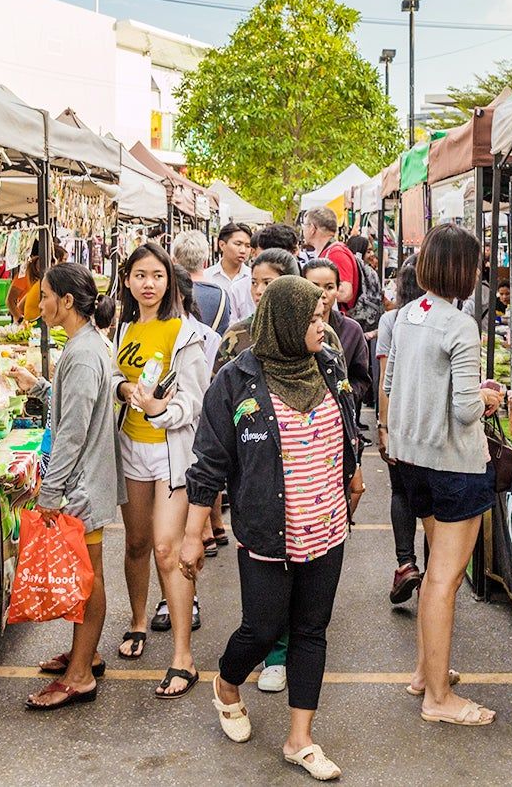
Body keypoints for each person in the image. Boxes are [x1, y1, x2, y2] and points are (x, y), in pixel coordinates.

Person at [181, 275, 363, 782]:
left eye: (322, 314)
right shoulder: (237, 381)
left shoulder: (327, 363)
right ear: (283, 321)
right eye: (311, 317)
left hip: (326, 528)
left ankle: (300, 738)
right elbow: (208, 464)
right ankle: (227, 682)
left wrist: (354, 472)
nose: (321, 325)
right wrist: (194, 534)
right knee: (261, 629)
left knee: (311, 630)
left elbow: (348, 423)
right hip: (266, 531)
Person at [382, 223, 503, 727]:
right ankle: (437, 697)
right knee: (444, 579)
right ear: (462, 269)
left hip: (410, 461)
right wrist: (489, 397)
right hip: (454, 465)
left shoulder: (408, 315)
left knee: (436, 575)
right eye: (475, 263)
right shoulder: (460, 325)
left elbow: (391, 382)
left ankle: (424, 673)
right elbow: (465, 412)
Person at [19, 264, 122, 711]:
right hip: (85, 480)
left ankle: (79, 675)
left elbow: (72, 433)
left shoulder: (82, 353)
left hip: (81, 484)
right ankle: (87, 652)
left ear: (65, 301)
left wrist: (50, 493)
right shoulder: (85, 346)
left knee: (90, 574)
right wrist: (43, 387)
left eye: (44, 296)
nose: (38, 305)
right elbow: (75, 408)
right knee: (87, 573)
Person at [110, 242, 210, 698]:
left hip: (171, 455)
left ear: (170, 280)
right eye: (139, 275)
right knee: (135, 543)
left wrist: (157, 411)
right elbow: (111, 377)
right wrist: (124, 387)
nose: (148, 284)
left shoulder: (185, 332)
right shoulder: (123, 326)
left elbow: (195, 403)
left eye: (157, 275)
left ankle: (183, 658)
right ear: (127, 280)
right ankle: (136, 622)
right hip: (130, 447)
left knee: (167, 549)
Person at [375, 254, 426, 604]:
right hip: (433, 420)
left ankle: (406, 563)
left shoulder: (392, 320)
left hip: (403, 420)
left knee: (401, 491)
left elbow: (384, 378)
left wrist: (384, 424)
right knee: (433, 499)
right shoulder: (449, 319)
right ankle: (434, 566)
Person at [301, 258, 373, 413]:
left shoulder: (351, 330)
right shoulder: (291, 328)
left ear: (338, 289)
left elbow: (361, 378)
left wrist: (342, 398)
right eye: (314, 286)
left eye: (329, 287)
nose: (322, 294)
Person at [173, 231, 235, 337]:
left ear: (174, 261)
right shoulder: (221, 295)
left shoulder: (169, 292)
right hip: (209, 352)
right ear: (205, 262)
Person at [301, 208, 358, 313]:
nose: (302, 230)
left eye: (304, 225)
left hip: (338, 322)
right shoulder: (331, 251)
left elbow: (345, 293)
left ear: (312, 228)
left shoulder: (336, 253)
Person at [206, 222, 254, 323]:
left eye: (247, 246)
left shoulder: (253, 279)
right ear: (222, 245)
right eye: (238, 244)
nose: (243, 250)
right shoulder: (207, 277)